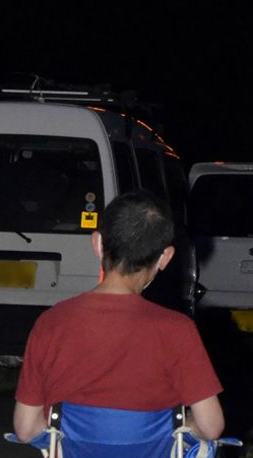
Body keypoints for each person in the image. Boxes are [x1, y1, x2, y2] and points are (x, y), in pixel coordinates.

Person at [12, 190, 224, 443]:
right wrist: (180, 425)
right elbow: (211, 427)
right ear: (165, 257)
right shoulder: (177, 330)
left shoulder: (51, 323)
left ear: (98, 244)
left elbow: (26, 429)